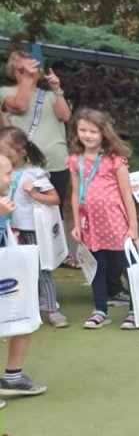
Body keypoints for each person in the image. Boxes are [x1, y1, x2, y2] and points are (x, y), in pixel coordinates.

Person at [67, 108, 139, 329]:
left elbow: (127, 194)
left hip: (116, 222)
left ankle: (136, 310)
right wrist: (77, 224)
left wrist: (133, 226)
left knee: (126, 266)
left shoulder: (115, 160)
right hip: (92, 225)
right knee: (97, 267)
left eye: (93, 131)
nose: (87, 135)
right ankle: (100, 310)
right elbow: (75, 194)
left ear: (103, 133)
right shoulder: (75, 161)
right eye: (83, 130)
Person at [0, 126, 67, 327]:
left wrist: (34, 194)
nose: (3, 157)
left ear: (21, 151)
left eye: (7, 153)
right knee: (17, 270)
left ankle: (52, 310)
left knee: (42, 269)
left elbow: (55, 199)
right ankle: (25, 309)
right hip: (10, 230)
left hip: (31, 230)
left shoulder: (35, 173)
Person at [1, 49, 72, 226]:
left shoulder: (48, 95)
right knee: (18, 208)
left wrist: (56, 89)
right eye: (22, 69)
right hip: (21, 164)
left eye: (32, 67)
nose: (29, 72)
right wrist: (28, 78)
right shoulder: (4, 92)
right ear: (14, 71)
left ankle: (54, 244)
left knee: (54, 212)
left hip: (56, 163)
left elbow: (65, 116)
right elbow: (21, 105)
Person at [0, 151, 47, 406]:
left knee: (23, 316)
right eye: (7, 173)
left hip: (7, 275)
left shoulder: (4, 200)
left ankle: (13, 376)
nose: (12, 178)